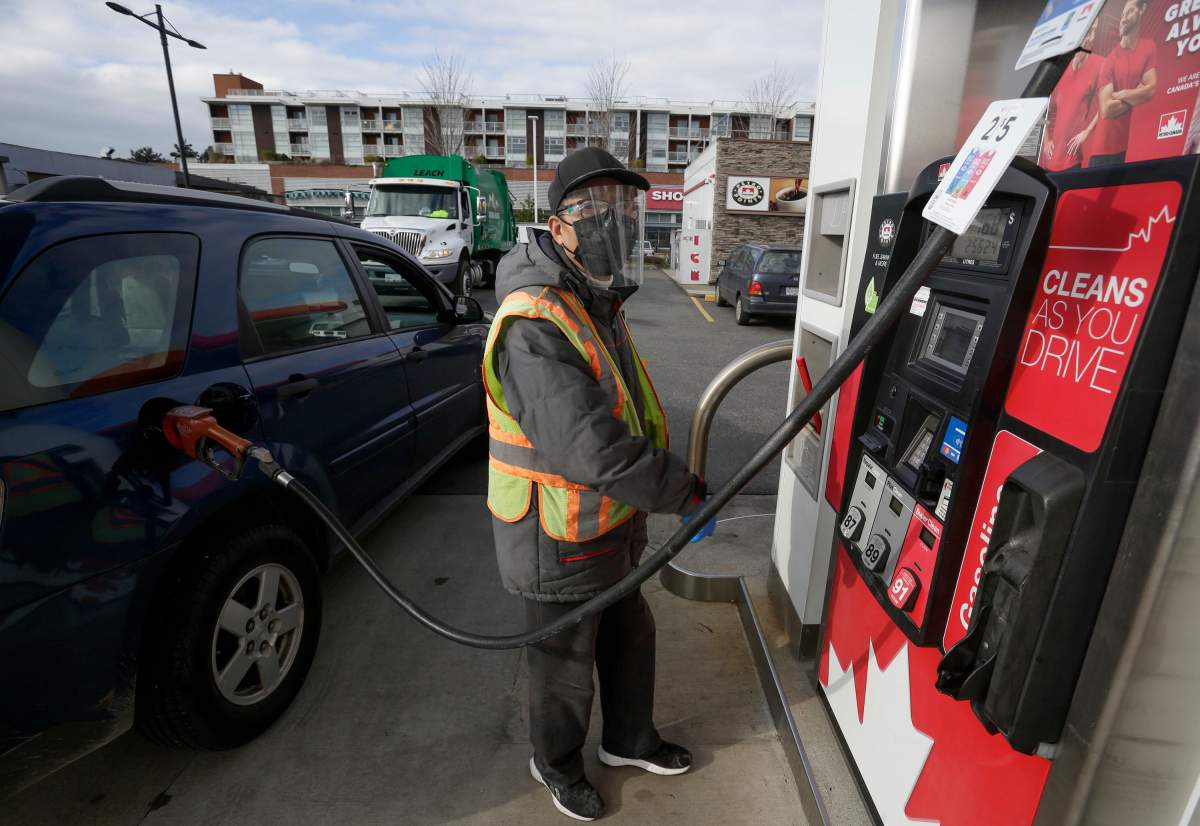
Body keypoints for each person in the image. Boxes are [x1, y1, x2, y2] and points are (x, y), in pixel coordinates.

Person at [483, 147, 713, 821]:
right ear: (557, 228)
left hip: (606, 525)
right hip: (552, 533)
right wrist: (684, 491)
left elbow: (625, 409)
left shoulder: (594, 301)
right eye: (595, 208)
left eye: (624, 205)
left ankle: (628, 740)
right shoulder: (533, 321)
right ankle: (554, 763)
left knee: (628, 633)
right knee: (562, 662)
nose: (616, 220)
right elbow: (591, 448)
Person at [1091, 0, 1157, 166]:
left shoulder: (1149, 47)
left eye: (1129, 12)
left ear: (1142, 10)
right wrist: (1137, 93)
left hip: (1123, 146)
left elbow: (1151, 90)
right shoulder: (1110, 61)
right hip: (1102, 150)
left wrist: (1120, 94)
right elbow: (1106, 109)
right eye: (1122, 15)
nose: (1123, 18)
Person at [1041, 20, 1102, 171]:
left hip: (1072, 154)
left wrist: (1087, 132)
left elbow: (1106, 104)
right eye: (1089, 32)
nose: (1092, 37)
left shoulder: (1100, 64)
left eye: (1095, 31)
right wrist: (1047, 140)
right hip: (1051, 155)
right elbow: (1049, 109)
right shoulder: (1060, 68)